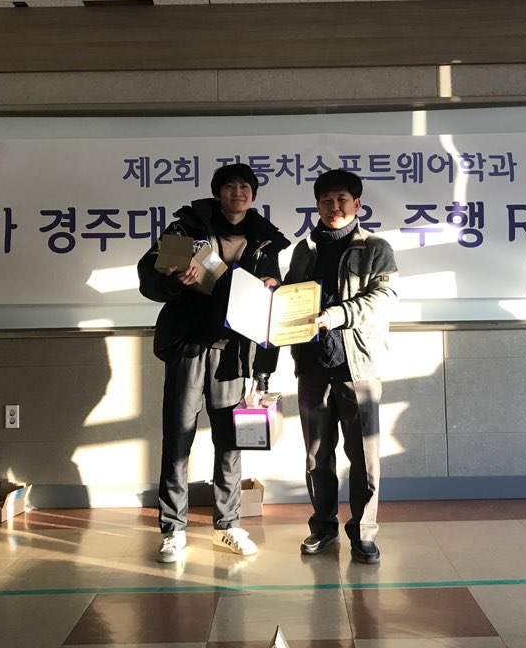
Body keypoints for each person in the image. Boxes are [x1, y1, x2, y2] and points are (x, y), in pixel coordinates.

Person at [137, 163, 290, 563]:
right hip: (188, 346)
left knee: (230, 441)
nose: (238, 192)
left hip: (233, 352)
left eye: (245, 186)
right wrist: (175, 281)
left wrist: (263, 369)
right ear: (218, 192)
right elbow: (149, 281)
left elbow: (272, 306)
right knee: (178, 437)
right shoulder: (185, 228)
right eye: (229, 186)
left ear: (253, 195)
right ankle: (173, 529)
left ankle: (229, 524)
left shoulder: (266, 240)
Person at [284, 169, 398, 564]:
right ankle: (323, 527)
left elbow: (383, 298)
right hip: (312, 365)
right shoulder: (304, 250)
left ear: (357, 204)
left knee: (364, 457)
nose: (334, 206)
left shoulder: (376, 248)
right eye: (327, 201)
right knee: (316, 455)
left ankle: (364, 534)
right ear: (317, 206)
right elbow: (290, 300)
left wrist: (336, 315)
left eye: (342, 199)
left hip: (357, 366)